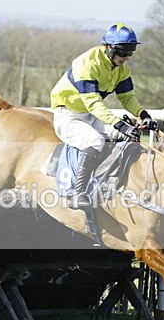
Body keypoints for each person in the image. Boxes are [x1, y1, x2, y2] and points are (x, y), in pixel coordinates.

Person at [50, 23, 158, 209]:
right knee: (95, 142)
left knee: (128, 136)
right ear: (109, 47)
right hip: (68, 115)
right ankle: (79, 193)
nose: (126, 58)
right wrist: (119, 123)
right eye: (123, 52)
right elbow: (93, 104)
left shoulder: (120, 67)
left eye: (129, 53)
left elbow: (127, 98)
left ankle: (113, 187)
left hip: (89, 116)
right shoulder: (88, 63)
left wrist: (143, 115)